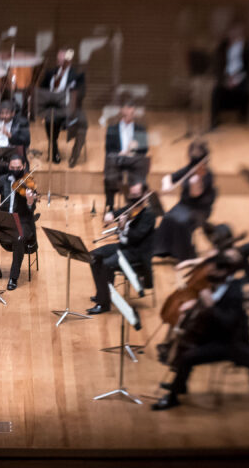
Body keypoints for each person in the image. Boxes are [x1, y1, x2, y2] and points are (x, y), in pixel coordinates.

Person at [152, 241, 249, 411]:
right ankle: (180, 385)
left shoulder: (234, 292)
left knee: (187, 355)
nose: (209, 271)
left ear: (224, 271)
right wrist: (195, 303)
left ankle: (173, 397)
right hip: (213, 332)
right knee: (183, 344)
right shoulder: (220, 283)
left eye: (214, 268)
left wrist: (210, 306)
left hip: (228, 341)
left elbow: (229, 323)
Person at [87, 181, 158, 316]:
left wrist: (124, 226)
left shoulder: (149, 214)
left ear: (144, 195)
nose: (133, 197)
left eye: (136, 195)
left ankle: (104, 304)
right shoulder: (133, 207)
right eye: (132, 194)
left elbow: (136, 237)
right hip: (124, 247)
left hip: (137, 252)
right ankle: (103, 293)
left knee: (106, 264)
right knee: (93, 256)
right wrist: (110, 215)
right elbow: (118, 212)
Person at [0, 154, 38, 291]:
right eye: (12, 167)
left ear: (24, 167)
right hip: (5, 219)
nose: (15, 170)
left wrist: (30, 201)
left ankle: (14, 277)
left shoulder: (28, 182)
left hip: (24, 221)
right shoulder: (3, 180)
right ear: (9, 167)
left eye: (18, 167)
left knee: (19, 237)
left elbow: (32, 209)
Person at [153, 140, 215, 262]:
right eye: (192, 151)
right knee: (168, 217)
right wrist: (167, 186)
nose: (194, 154)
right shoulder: (191, 167)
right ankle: (166, 250)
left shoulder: (207, 174)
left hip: (199, 209)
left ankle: (185, 254)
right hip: (184, 204)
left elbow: (196, 194)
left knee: (181, 222)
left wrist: (194, 183)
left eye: (197, 152)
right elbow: (169, 177)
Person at [39, 49, 87, 166]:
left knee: (83, 124)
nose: (60, 62)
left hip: (72, 109)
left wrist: (71, 95)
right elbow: (42, 89)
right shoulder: (51, 73)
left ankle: (75, 154)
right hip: (55, 109)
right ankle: (54, 149)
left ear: (68, 60)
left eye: (62, 60)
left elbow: (82, 93)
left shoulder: (77, 75)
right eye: (58, 59)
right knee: (49, 120)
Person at [102, 96, 149, 214]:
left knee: (139, 173)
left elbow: (144, 150)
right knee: (110, 173)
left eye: (132, 112)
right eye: (128, 110)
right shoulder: (112, 129)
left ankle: (134, 205)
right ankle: (110, 206)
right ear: (122, 111)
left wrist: (135, 149)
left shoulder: (140, 129)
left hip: (133, 161)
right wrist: (120, 153)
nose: (130, 114)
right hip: (118, 160)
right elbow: (108, 149)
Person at [211, 21, 249, 128]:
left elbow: (248, 68)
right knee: (216, 91)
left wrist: (236, 79)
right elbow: (218, 65)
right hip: (225, 77)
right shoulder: (223, 46)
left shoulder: (247, 46)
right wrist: (225, 79)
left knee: (246, 90)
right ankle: (214, 120)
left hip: (240, 78)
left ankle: (243, 119)